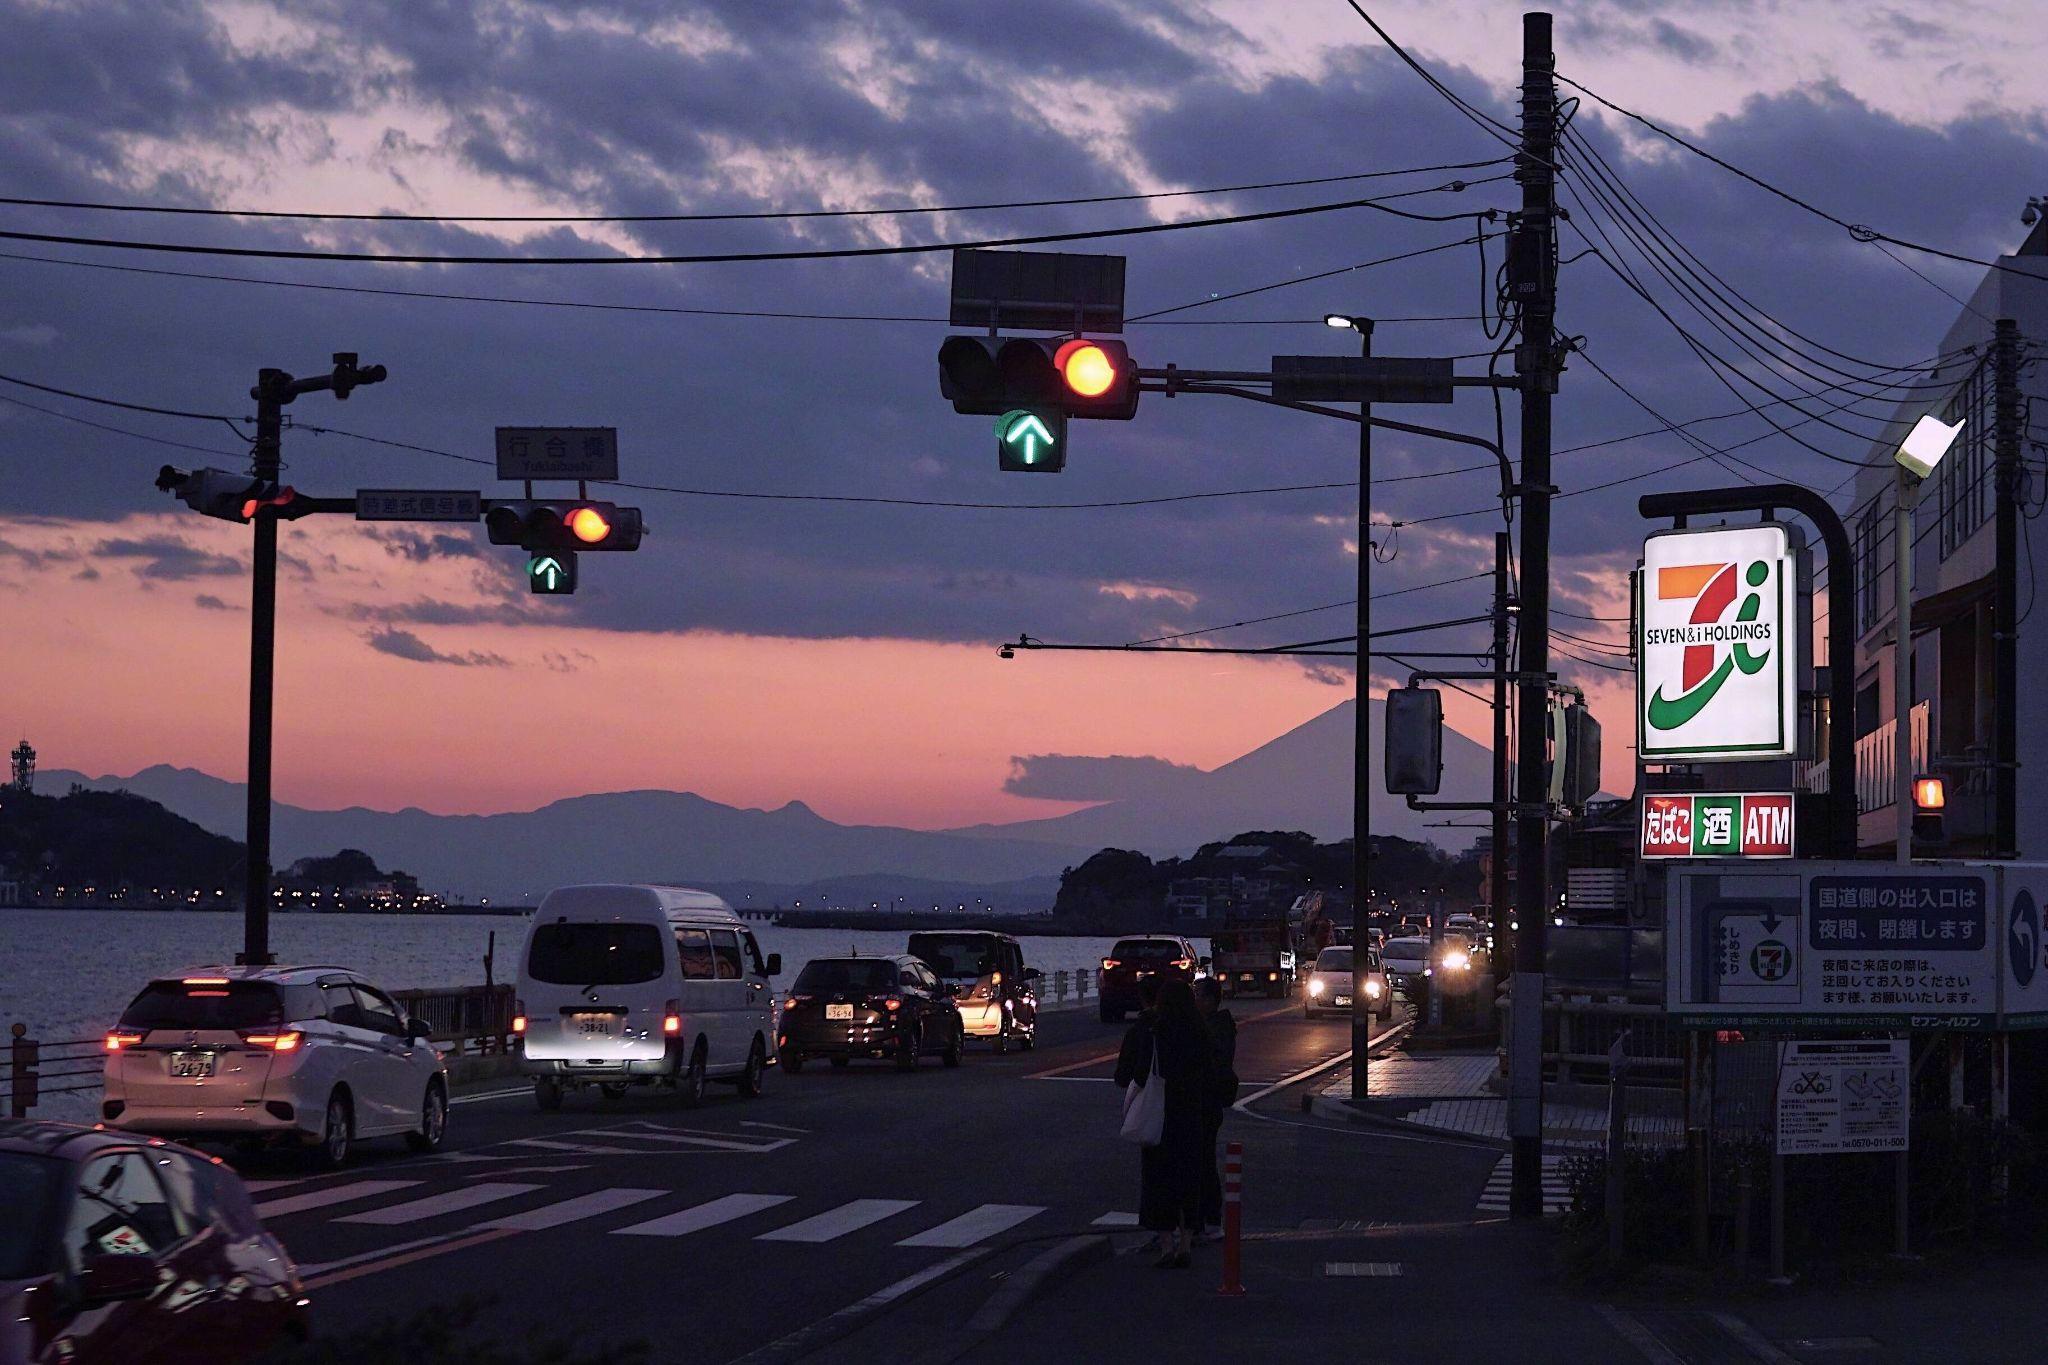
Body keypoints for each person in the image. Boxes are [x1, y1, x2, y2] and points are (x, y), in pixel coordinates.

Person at [1115, 975, 1211, 1268]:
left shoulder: (1151, 1032)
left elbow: (1128, 1074)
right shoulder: (1200, 1032)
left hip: (1159, 1115)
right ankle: (1186, 1242)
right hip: (1192, 1114)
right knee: (1190, 1178)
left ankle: (1166, 1245)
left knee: (1159, 1179)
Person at [1192, 977, 1239, 1239]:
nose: (1194, 999)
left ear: (1210, 1000)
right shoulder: (1216, 1024)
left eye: (1197, 994)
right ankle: (1205, 1216)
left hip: (1207, 1100)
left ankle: (1210, 1217)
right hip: (1207, 1100)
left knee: (1204, 1160)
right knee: (1203, 1158)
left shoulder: (1217, 1027)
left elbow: (1215, 1060)